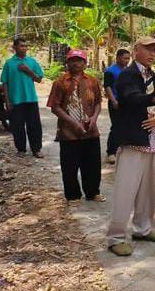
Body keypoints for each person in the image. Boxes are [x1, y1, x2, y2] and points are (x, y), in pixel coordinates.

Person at [106, 36, 155, 257]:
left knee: (149, 189)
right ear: (136, 50)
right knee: (125, 190)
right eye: (148, 49)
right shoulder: (127, 76)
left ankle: (143, 228)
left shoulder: (154, 77)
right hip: (133, 140)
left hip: (153, 140)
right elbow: (133, 99)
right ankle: (116, 237)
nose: (152, 54)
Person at [47, 49, 105, 204]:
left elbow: (99, 102)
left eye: (79, 60)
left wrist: (94, 118)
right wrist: (73, 123)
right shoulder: (60, 83)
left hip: (91, 131)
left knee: (92, 164)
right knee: (70, 165)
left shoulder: (92, 81)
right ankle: (73, 195)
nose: (75, 63)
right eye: (72, 60)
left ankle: (93, 192)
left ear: (85, 63)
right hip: (68, 133)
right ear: (67, 62)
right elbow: (55, 106)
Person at [0, 37, 45, 158]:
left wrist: (28, 70)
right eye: (21, 46)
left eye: (25, 46)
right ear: (15, 48)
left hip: (30, 99)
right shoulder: (9, 64)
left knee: (34, 125)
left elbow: (39, 79)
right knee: (17, 126)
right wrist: (7, 101)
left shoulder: (32, 62)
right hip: (15, 100)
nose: (24, 48)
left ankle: (36, 149)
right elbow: (5, 83)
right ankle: (21, 149)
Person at [103, 48, 131, 164]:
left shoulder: (128, 70)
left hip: (127, 101)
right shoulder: (110, 71)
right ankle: (111, 152)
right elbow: (107, 86)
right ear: (118, 58)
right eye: (125, 58)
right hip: (116, 100)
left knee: (126, 125)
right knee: (116, 126)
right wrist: (113, 100)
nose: (127, 61)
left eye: (128, 58)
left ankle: (123, 148)